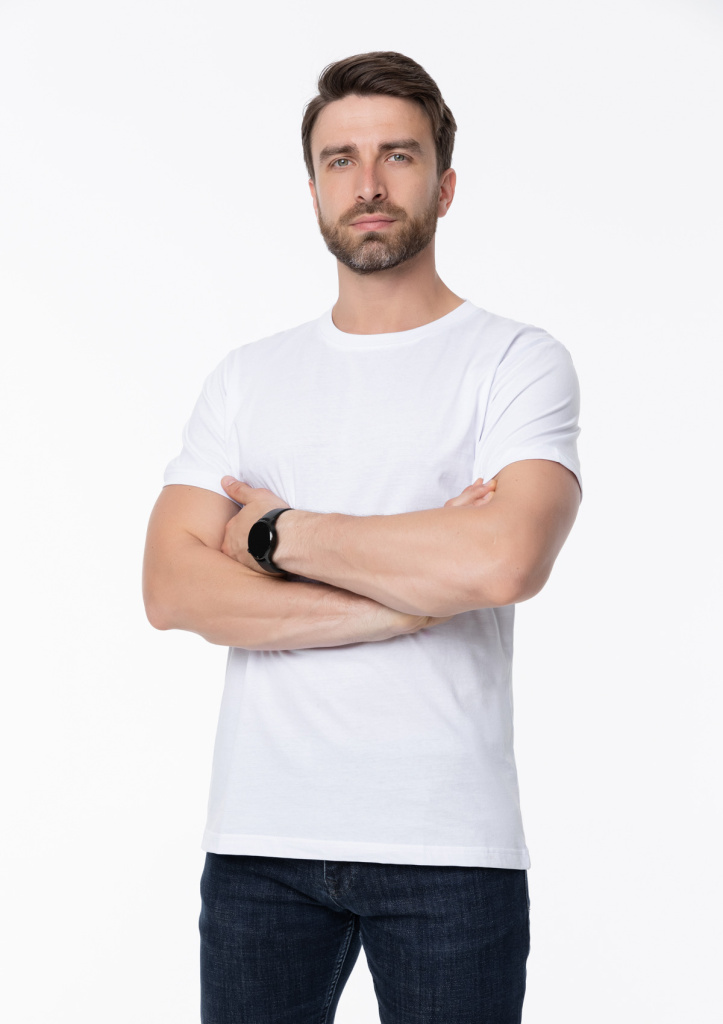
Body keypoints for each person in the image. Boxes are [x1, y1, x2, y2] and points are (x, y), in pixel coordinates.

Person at [143, 50, 582, 1024]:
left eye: (398, 155)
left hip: (448, 847)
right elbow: (172, 589)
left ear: (445, 184)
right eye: (340, 160)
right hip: (259, 843)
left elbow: (504, 559)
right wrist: (405, 598)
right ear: (312, 189)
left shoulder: (514, 361)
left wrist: (273, 533)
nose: (369, 183)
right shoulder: (247, 378)